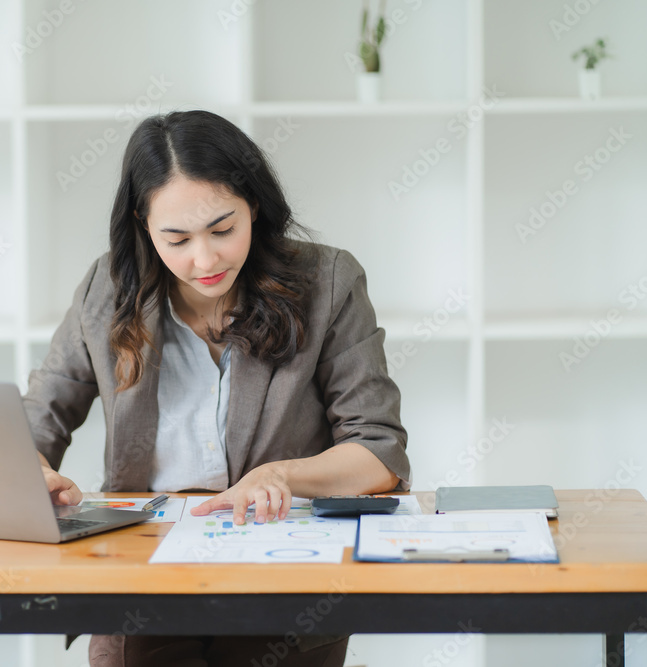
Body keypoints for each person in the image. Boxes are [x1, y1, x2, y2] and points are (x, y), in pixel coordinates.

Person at [23, 109, 411, 667]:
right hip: (142, 582)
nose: (204, 259)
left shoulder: (327, 283)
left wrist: (281, 476)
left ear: (254, 204)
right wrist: (30, 473)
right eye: (176, 239)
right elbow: (35, 424)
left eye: (223, 230)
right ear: (143, 225)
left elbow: (378, 450)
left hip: (285, 583)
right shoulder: (106, 290)